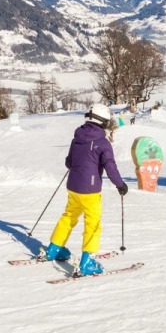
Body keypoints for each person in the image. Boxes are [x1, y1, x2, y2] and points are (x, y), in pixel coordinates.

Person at [45, 103, 129, 275]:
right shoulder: (103, 143)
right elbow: (110, 167)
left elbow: (69, 162)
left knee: (69, 216)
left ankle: (54, 249)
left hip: (73, 187)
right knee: (92, 223)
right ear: (104, 122)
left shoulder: (77, 138)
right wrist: (120, 185)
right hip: (90, 191)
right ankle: (88, 261)